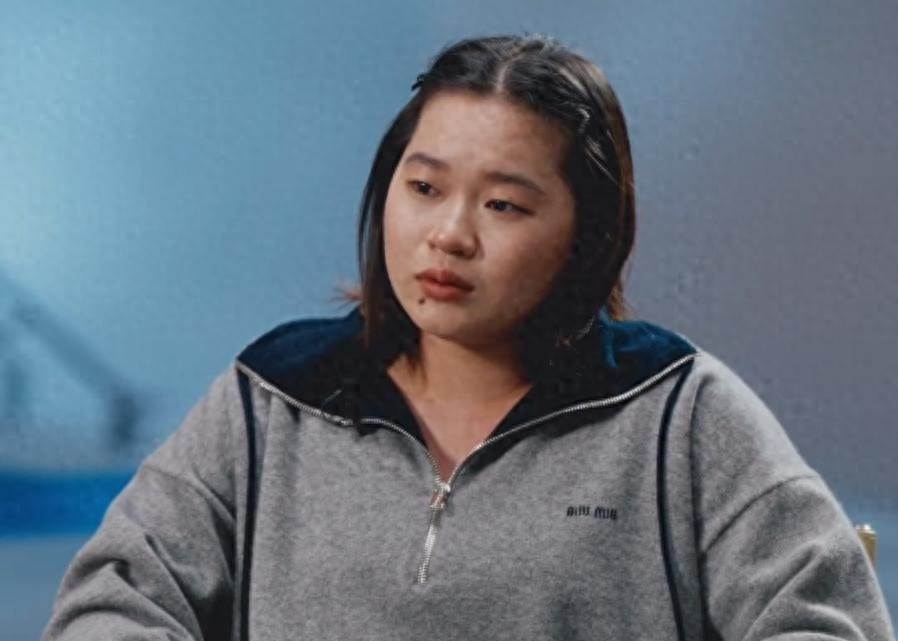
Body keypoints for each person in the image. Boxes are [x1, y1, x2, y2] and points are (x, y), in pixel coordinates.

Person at [43, 33, 894, 641]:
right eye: (424, 188)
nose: (449, 235)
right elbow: (112, 599)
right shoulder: (273, 396)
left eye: (503, 205)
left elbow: (825, 621)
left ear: (589, 233)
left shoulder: (678, 412)